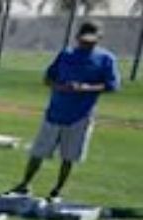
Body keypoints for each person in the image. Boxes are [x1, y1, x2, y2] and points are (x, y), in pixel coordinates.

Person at [8, 21, 119, 203]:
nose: (87, 45)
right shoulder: (66, 54)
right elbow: (47, 78)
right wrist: (59, 86)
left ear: (99, 39)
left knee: (69, 156)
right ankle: (24, 185)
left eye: (92, 41)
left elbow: (112, 86)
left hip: (80, 116)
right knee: (38, 152)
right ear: (77, 37)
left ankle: (57, 191)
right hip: (55, 112)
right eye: (84, 40)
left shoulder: (107, 59)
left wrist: (85, 88)